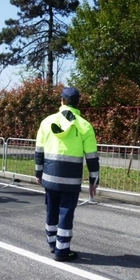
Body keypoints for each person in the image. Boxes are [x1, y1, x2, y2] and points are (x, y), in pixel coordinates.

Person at [35, 87, 100, 262]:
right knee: (66, 212)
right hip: (71, 179)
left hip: (49, 176)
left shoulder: (46, 122)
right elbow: (92, 158)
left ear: (62, 101)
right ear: (77, 103)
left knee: (52, 210)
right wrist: (94, 180)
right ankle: (62, 250)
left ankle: (52, 243)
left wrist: (38, 172)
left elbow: (39, 150)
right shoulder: (85, 125)